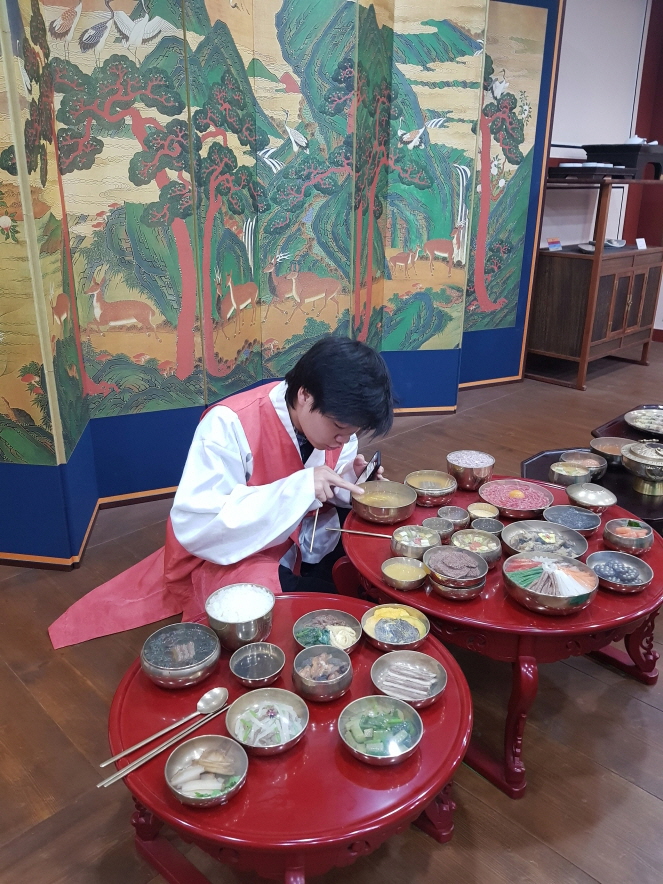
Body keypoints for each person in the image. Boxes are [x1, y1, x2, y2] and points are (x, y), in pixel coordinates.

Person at [49, 337, 393, 648]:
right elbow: (202, 525)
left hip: (296, 536)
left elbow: (326, 483)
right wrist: (300, 487)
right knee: (313, 611)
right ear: (305, 395)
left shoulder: (336, 426)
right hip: (233, 551)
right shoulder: (229, 424)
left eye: (352, 432)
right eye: (338, 427)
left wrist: (351, 482)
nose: (343, 439)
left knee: (369, 554)